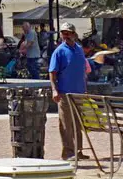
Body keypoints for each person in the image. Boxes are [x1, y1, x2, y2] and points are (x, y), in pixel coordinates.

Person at [49, 22, 89, 162]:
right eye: (63, 33)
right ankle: (68, 152)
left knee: (78, 123)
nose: (65, 35)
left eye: (68, 33)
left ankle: (78, 151)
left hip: (79, 93)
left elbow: (82, 71)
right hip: (64, 94)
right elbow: (52, 73)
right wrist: (54, 90)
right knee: (66, 124)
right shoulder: (59, 51)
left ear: (74, 34)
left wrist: (85, 89)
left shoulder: (79, 49)